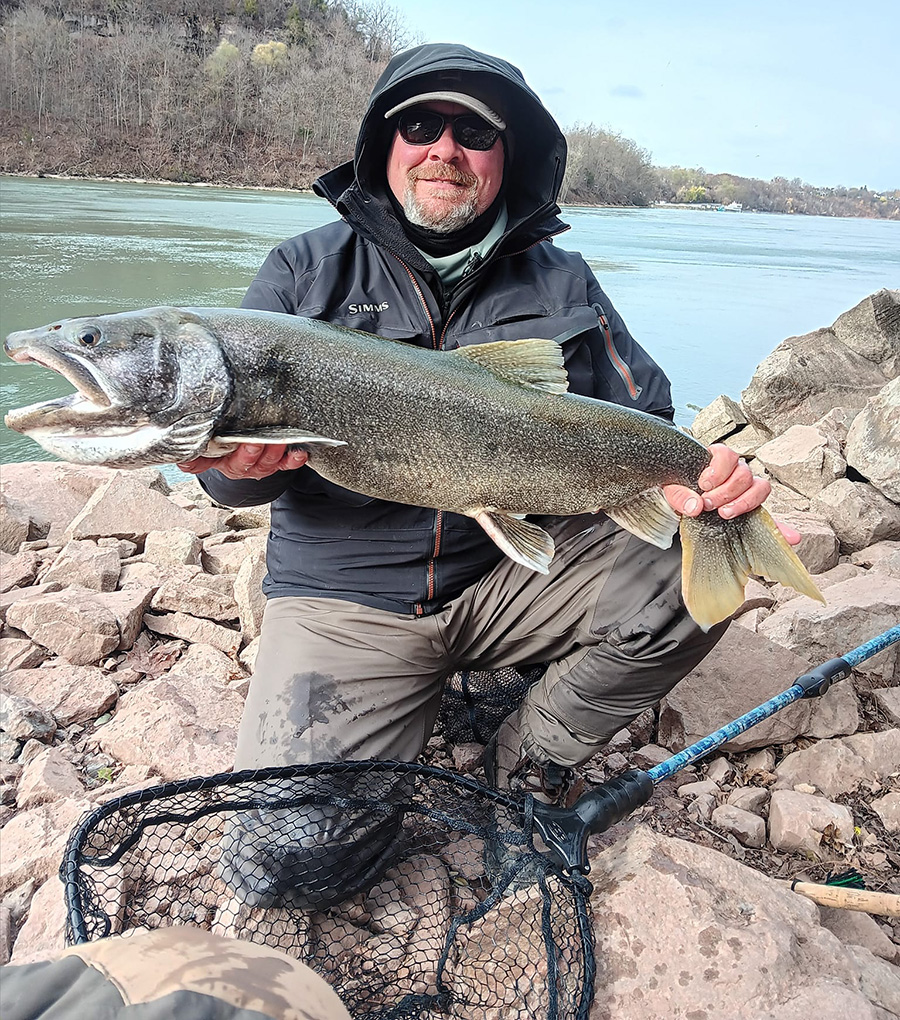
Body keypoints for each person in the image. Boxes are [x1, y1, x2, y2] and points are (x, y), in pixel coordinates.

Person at [180, 43, 795, 899]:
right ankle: (410, 707)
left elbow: (647, 423)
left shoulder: (563, 279)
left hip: (508, 577)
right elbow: (228, 483)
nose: (445, 149)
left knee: (704, 547)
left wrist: (709, 482)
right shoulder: (303, 272)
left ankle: (532, 754)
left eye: (474, 133)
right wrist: (238, 468)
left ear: (509, 157)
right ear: (384, 145)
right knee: (290, 867)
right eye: (420, 126)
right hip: (348, 603)